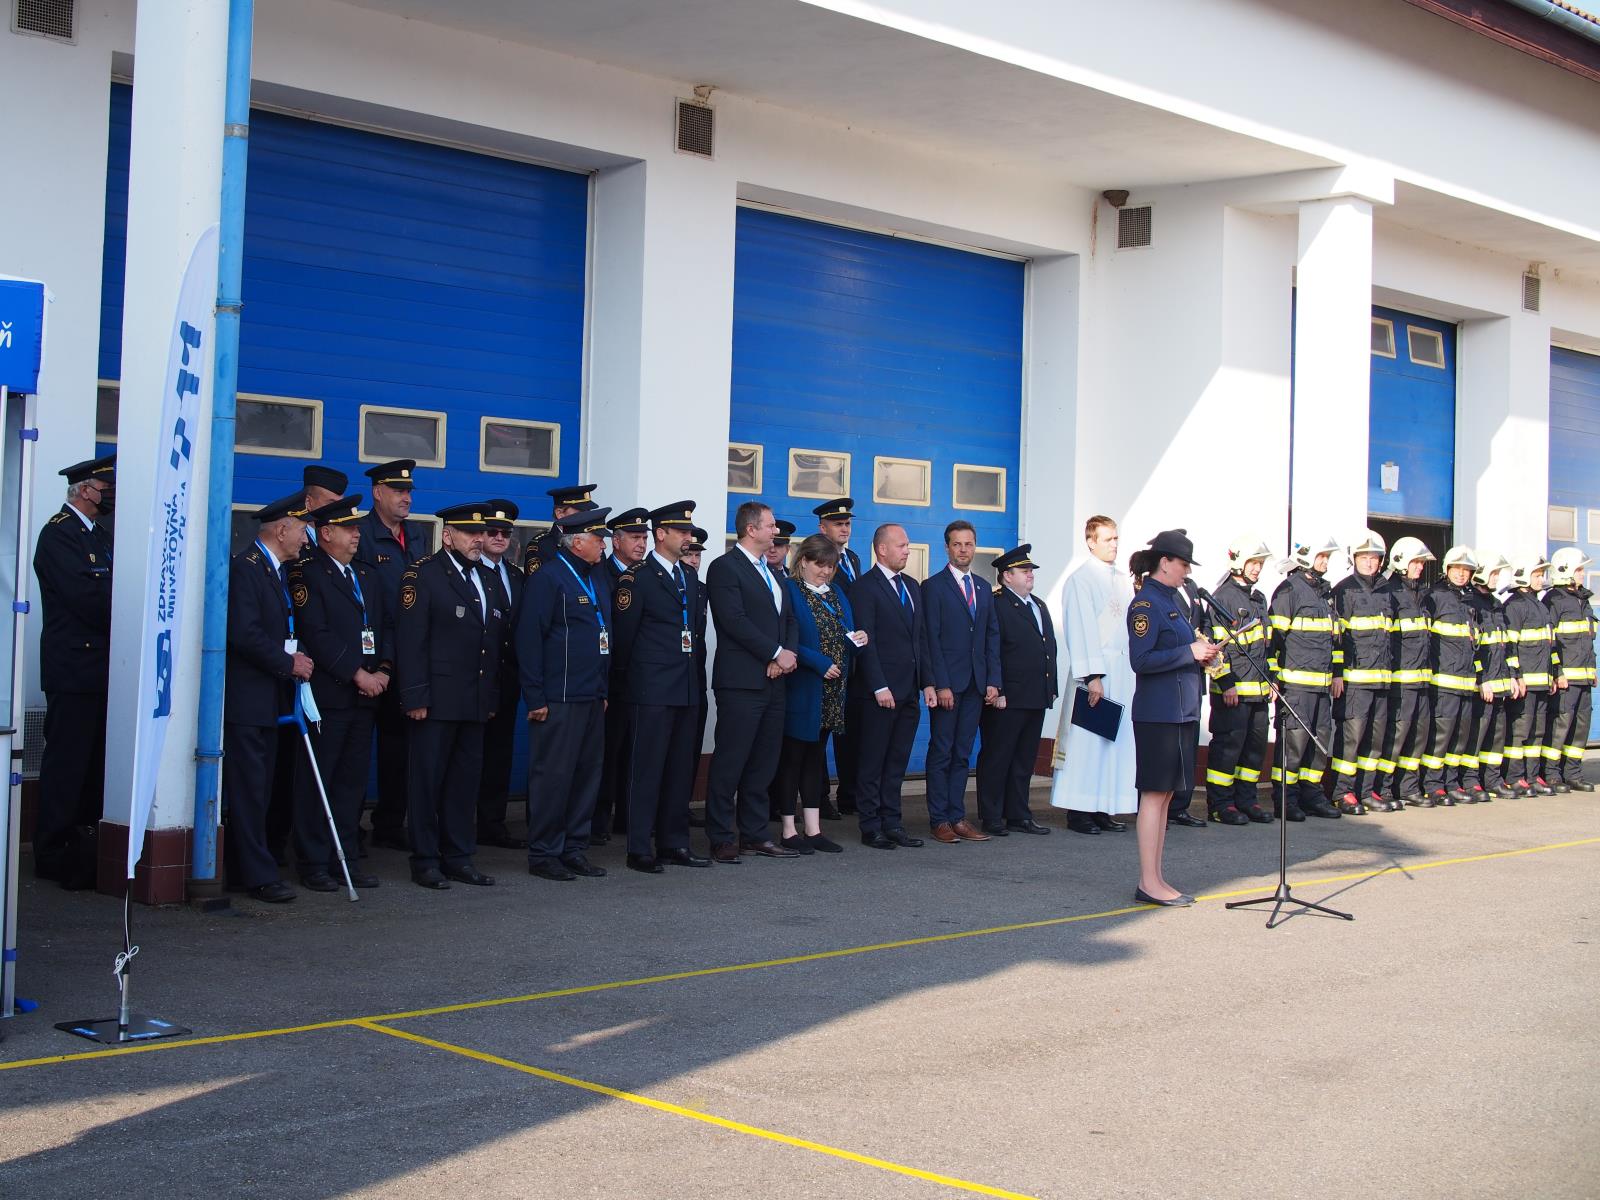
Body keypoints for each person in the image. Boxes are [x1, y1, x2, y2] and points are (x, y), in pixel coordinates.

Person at [395, 503, 505, 889]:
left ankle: (458, 856)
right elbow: (411, 641)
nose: (479, 540)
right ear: (447, 536)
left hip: (473, 700)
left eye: (481, 533)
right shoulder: (424, 575)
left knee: (463, 783)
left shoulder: (487, 578)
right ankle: (425, 859)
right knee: (427, 782)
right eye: (470, 533)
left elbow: (492, 644)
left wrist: (490, 696)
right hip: (436, 701)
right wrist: (414, 696)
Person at [287, 494, 388, 892]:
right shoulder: (309, 574)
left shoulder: (365, 575)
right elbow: (317, 633)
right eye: (348, 528)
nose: (356, 534)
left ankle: (345, 856)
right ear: (326, 533)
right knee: (320, 780)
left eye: (357, 527)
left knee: (351, 783)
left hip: (365, 697)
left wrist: (383, 670)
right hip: (330, 695)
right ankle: (313, 861)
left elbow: (384, 625)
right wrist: (357, 673)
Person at [223, 491, 315, 903]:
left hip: (267, 700)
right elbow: (244, 633)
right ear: (282, 530)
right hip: (248, 700)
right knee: (249, 790)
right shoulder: (247, 569)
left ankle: (246, 866)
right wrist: (287, 662)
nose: (306, 540)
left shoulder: (273, 571)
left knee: (259, 789)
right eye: (302, 531)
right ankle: (256, 875)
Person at [31, 453, 116, 889]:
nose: (111, 496)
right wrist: (129, 616)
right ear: (85, 490)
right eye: (105, 489)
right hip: (74, 668)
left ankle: (82, 849)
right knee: (67, 765)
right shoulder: (58, 534)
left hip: (101, 669)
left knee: (94, 766)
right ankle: (52, 852)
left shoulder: (100, 535)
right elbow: (87, 599)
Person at [516, 507, 614, 881]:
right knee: (553, 777)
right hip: (559, 697)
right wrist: (535, 696)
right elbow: (530, 639)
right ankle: (544, 852)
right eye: (597, 539)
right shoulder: (549, 578)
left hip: (591, 696)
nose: (603, 545)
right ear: (576, 543)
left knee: (586, 776)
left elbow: (602, 637)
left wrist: (602, 690)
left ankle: (574, 848)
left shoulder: (595, 577)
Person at [614, 502, 712, 874]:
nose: (688, 537)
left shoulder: (687, 576)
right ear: (661, 534)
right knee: (647, 769)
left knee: (679, 770)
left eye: (689, 531)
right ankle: (639, 846)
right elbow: (624, 640)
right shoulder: (637, 578)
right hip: (651, 690)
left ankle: (675, 843)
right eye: (682, 532)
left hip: (685, 688)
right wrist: (631, 686)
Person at [1126, 530, 1219, 907]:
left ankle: (1156, 877)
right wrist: (1188, 653)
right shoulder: (1146, 604)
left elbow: (1181, 650)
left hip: (1180, 711)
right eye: (1183, 564)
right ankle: (1149, 882)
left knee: (1165, 796)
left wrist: (1204, 654)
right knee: (1154, 794)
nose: (1187, 571)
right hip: (1158, 714)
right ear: (1164, 562)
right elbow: (1141, 660)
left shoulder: (1172, 601)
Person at [704, 501, 801, 862]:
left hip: (774, 682)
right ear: (751, 529)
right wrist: (774, 653)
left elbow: (788, 619)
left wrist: (786, 655)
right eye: (771, 525)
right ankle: (720, 837)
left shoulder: (774, 573)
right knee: (730, 761)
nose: (776, 531)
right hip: (741, 682)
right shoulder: (724, 567)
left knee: (763, 763)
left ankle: (755, 834)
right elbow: (734, 621)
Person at [848, 523, 935, 850]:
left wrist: (928, 682)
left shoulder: (911, 586)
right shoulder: (864, 588)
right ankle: (871, 826)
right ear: (881, 549)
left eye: (907, 545)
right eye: (901, 545)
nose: (907, 550)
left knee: (897, 761)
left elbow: (920, 639)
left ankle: (893, 822)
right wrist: (878, 686)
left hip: (909, 691)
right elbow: (865, 642)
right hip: (879, 694)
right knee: (873, 762)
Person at [775, 534, 861, 853]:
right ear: (803, 562)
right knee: (793, 759)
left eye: (831, 566)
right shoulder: (790, 590)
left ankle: (813, 829)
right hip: (803, 688)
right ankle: (788, 829)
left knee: (815, 759)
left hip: (832, 692)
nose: (825, 571)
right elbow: (787, 639)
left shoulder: (836, 592)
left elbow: (846, 631)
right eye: (819, 564)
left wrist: (858, 640)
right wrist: (819, 662)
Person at [1050, 515, 1134, 834]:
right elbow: (1080, 628)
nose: (1114, 544)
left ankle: (1102, 807)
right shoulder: (1080, 579)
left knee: (1111, 744)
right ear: (1091, 542)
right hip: (1095, 673)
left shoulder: (1123, 579)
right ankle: (1079, 810)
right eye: (1108, 539)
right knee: (1087, 744)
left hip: (1121, 672)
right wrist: (1092, 676)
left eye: (1116, 538)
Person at [352, 459, 420, 850]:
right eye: (398, 491)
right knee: (356, 749)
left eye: (408, 492)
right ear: (377, 493)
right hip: (366, 660)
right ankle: (349, 828)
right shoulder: (359, 533)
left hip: (403, 658)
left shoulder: (416, 536)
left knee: (399, 748)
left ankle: (390, 824)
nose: (406, 498)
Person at [922, 519, 1000, 843]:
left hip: (975, 685)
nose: (963, 550)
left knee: (962, 753)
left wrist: (993, 680)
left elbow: (991, 636)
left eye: (968, 544)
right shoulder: (933, 587)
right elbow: (931, 639)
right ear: (947, 548)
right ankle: (939, 819)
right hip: (948, 685)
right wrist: (940, 684)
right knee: (942, 750)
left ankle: (957, 816)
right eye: (957, 544)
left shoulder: (983, 587)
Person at [976, 545, 1057, 837]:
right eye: (1024, 571)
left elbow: (1048, 649)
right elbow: (992, 649)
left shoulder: (1039, 605)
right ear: (1006, 576)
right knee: (998, 757)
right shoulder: (997, 604)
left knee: (1024, 759)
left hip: (1035, 694)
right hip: (1007, 697)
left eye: (1030, 570)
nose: (1030, 574)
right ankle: (992, 815)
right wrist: (997, 689)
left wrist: (1050, 686)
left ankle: (1019, 814)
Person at [1267, 535, 1343, 820]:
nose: (1325, 561)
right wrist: (1273, 676)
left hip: (1321, 685)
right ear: (1306, 558)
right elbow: (1273, 640)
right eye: (1321, 556)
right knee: (1294, 744)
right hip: (1296, 686)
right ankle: (1286, 800)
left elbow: (1334, 640)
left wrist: (1336, 674)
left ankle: (1312, 794)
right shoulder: (1289, 590)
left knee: (1319, 742)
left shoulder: (1324, 593)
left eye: (1327, 557)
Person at [1202, 537, 1274, 825]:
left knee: (1254, 750)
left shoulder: (1259, 598)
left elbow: (1266, 647)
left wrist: (1272, 679)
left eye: (1260, 563)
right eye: (1253, 563)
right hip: (1232, 692)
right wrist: (1226, 683)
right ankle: (1220, 805)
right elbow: (1214, 646)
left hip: (1258, 691)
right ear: (1238, 563)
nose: (1257, 568)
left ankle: (1247, 800)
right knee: (1227, 750)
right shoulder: (1222, 597)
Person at [589, 506, 649, 844]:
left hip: (639, 679)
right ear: (616, 541)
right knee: (607, 751)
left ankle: (627, 817)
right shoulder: (602, 573)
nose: (642, 544)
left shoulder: (646, 575)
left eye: (644, 538)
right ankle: (598, 819)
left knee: (634, 752)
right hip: (610, 678)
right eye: (635, 538)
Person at [1330, 530, 1397, 814]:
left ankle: (1367, 791)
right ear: (1354, 559)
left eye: (1374, 558)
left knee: (1375, 740)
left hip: (1382, 680)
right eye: (1364, 557)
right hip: (1354, 682)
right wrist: (1337, 672)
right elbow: (1336, 637)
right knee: (1352, 739)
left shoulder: (1387, 591)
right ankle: (1342, 792)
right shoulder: (1343, 591)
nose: (1370, 563)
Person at [476, 500, 525, 849]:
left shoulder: (517, 576)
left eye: (505, 533)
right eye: (491, 531)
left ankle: (492, 824)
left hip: (507, 680)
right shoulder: (470, 572)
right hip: (477, 679)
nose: (498, 537)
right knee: (469, 756)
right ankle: (459, 824)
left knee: (499, 755)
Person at [1421, 545, 1484, 805]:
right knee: (1441, 736)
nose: (1461, 574)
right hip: (1443, 682)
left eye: (1466, 570)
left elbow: (1475, 644)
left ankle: (1451, 782)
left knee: (1460, 736)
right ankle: (1433, 784)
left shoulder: (1470, 601)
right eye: (1457, 569)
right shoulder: (1434, 597)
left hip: (1466, 682)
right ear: (1447, 569)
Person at [814, 497, 862, 818]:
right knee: (819, 732)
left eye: (847, 523)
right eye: (837, 524)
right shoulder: (817, 558)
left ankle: (849, 794)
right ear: (823, 528)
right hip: (825, 657)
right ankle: (819, 797)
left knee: (849, 730)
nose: (844, 528)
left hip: (850, 658)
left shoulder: (853, 558)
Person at [1381, 538, 1437, 807]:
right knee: (1396, 736)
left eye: (1422, 563)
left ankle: (1409, 787)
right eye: (1416, 562)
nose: (1420, 567)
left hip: (1422, 679)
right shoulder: (1390, 593)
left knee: (1418, 735)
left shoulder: (1421, 595)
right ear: (1401, 561)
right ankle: (1385, 788)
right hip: (1401, 681)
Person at [1503, 555, 1558, 796]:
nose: (1541, 579)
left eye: (1541, 575)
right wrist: (1516, 676)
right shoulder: (1515, 606)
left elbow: (1549, 645)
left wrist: (1552, 675)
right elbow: (1510, 646)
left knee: (1537, 731)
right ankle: (1514, 777)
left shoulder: (1540, 605)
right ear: (1524, 576)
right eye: (1536, 575)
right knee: (1520, 732)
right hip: (1525, 682)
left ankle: (1532, 776)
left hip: (1541, 681)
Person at [1545, 546, 1595, 791]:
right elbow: (1549, 640)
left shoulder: (1583, 600)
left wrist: (1592, 670)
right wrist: (1557, 672)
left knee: (1581, 726)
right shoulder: (1553, 600)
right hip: (1566, 677)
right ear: (1565, 570)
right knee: (1560, 725)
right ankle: (1552, 773)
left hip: (1584, 677)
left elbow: (1588, 640)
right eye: (1579, 570)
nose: (1582, 574)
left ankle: (1573, 772)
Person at [1471, 552, 1517, 799]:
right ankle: (1472, 781)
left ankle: (1492, 779)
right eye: (1494, 573)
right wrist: (1481, 680)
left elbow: (1505, 644)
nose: (1497, 578)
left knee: (1497, 736)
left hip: (1500, 683)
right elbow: (1473, 648)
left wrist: (1512, 675)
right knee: (1477, 736)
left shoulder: (1496, 604)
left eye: (1498, 574)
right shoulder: (1471, 603)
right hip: (1483, 685)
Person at [524, 482, 597, 573]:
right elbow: (539, 581)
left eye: (588, 512)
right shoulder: (540, 546)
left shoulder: (594, 543)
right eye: (580, 513)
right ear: (560, 514)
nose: (586, 518)